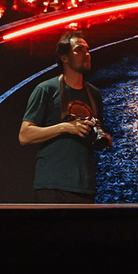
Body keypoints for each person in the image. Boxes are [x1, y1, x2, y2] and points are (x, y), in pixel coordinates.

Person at [18, 33, 111, 203]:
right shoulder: (46, 89)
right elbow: (25, 136)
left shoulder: (94, 94)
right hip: (52, 185)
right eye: (79, 50)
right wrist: (66, 127)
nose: (87, 54)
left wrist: (103, 138)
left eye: (87, 49)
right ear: (64, 58)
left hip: (85, 186)